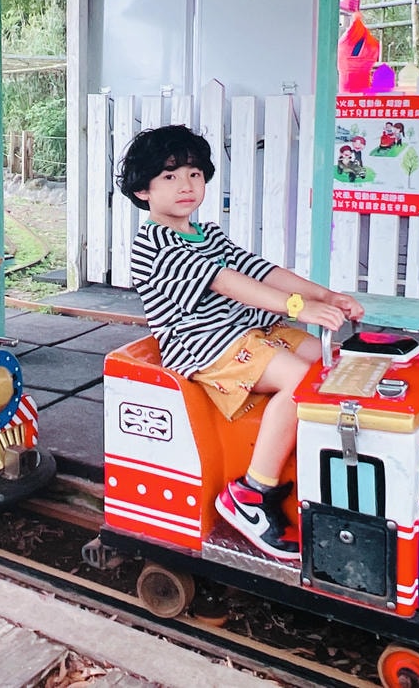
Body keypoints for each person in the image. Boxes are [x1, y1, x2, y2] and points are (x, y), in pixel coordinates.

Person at [117, 124, 364, 559]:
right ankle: (252, 492)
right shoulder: (153, 244)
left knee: (335, 364)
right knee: (303, 383)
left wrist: (324, 295)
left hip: (251, 332)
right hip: (206, 347)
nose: (186, 186)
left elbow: (260, 270)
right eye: (169, 177)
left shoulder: (208, 234)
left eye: (194, 174)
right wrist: (297, 308)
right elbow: (226, 282)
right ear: (143, 192)